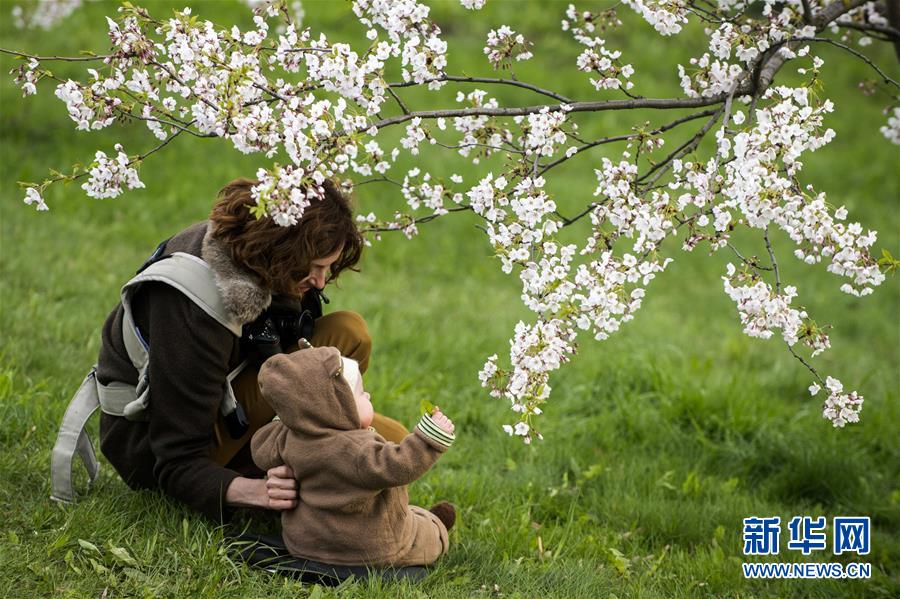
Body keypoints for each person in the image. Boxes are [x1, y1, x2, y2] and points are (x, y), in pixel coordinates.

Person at [95, 178, 408, 521]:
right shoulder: (192, 305)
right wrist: (260, 492)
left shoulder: (258, 255)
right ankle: (319, 472)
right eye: (315, 267)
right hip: (154, 450)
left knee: (351, 341)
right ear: (282, 247)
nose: (320, 282)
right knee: (385, 451)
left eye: (327, 268)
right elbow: (175, 459)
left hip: (231, 396)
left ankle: (321, 459)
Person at [251, 348, 457, 567]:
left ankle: (424, 518)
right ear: (338, 406)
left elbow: (260, 447)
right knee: (422, 534)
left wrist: (296, 413)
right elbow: (399, 464)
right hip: (369, 546)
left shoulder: (288, 437)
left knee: (408, 513)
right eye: (361, 392)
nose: (367, 395)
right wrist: (428, 437)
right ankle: (437, 526)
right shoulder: (356, 450)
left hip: (305, 541)